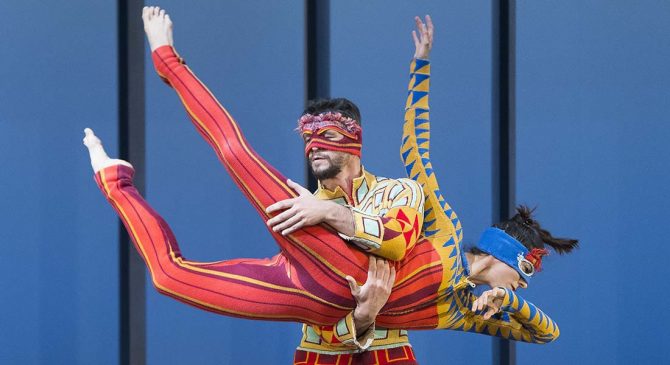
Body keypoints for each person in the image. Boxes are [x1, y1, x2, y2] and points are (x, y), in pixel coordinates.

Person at [84, 5, 578, 350]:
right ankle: (167, 58)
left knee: (169, 278)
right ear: (502, 255)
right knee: (236, 155)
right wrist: (420, 68)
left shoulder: (466, 312)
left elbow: (547, 334)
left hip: (317, 305)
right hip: (324, 248)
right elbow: (416, 150)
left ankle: (114, 178)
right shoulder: (442, 228)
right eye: (526, 273)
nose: (524, 287)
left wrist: (499, 301)